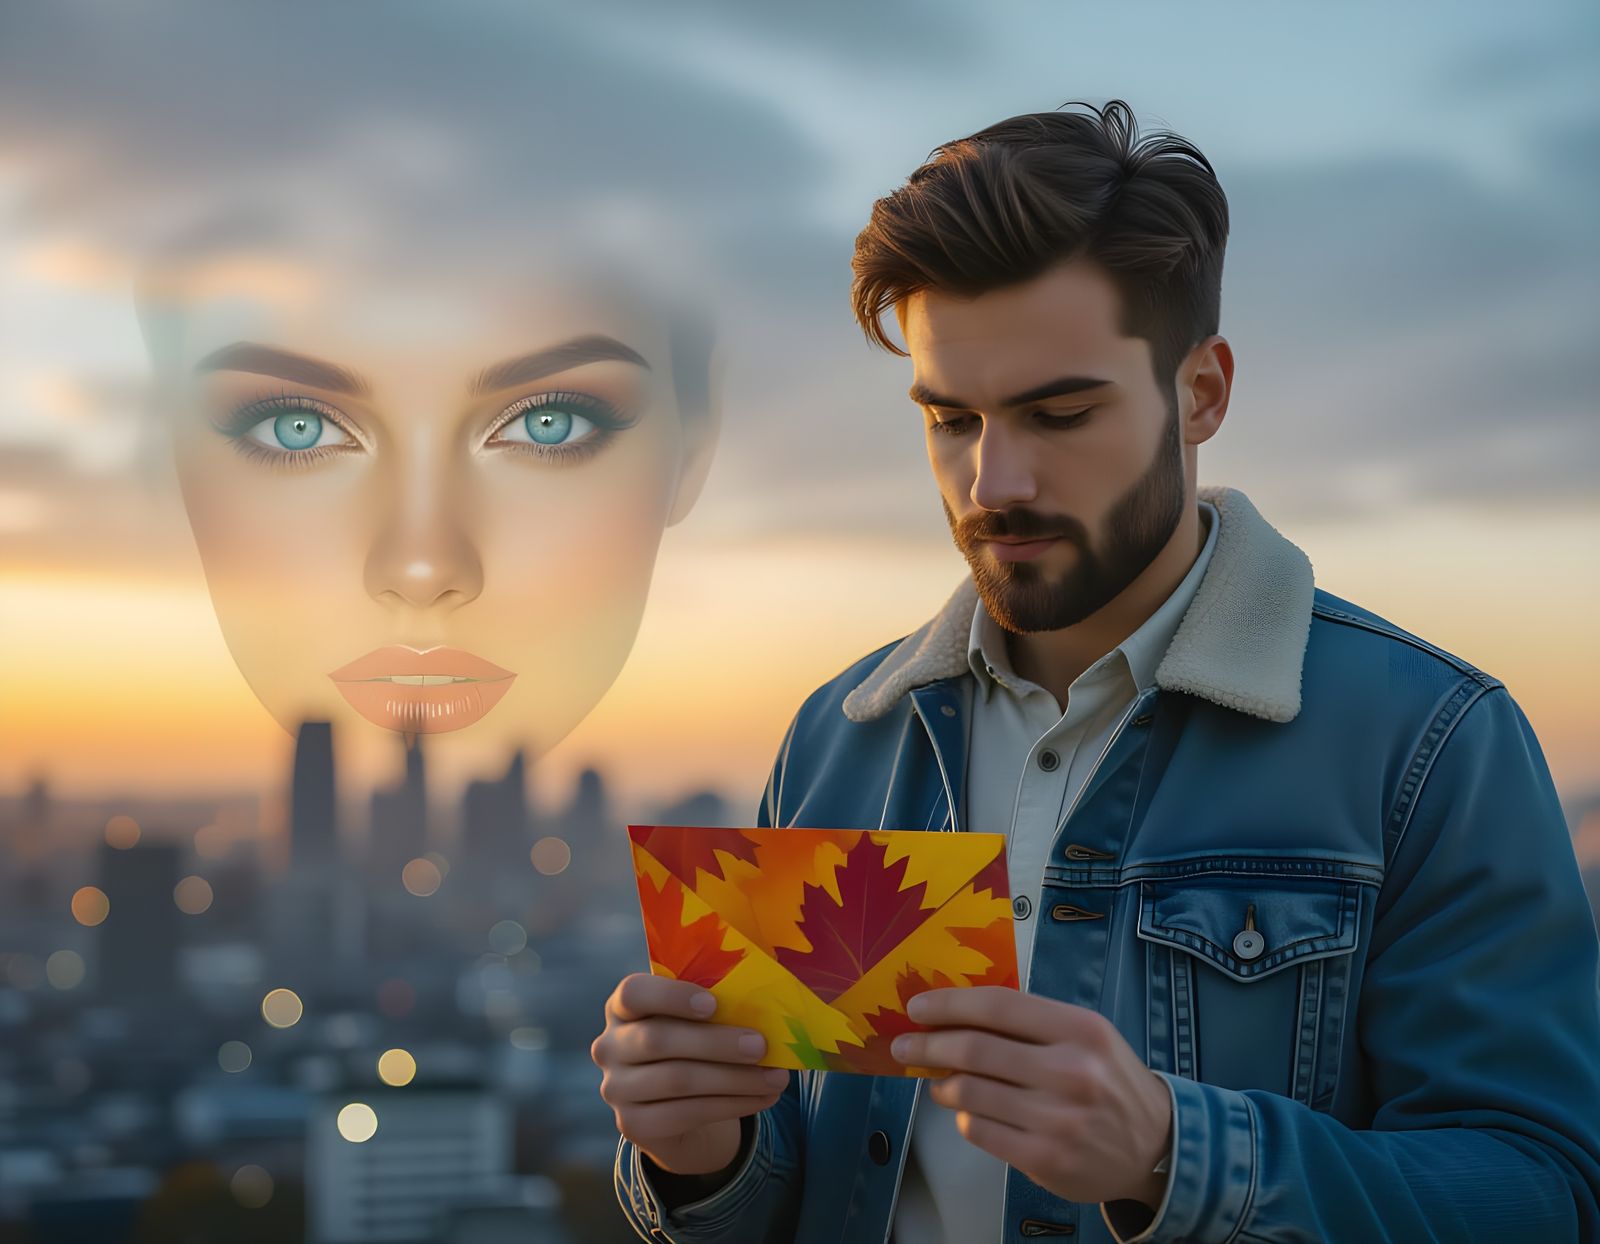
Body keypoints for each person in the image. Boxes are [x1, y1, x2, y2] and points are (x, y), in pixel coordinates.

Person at [594, 100, 1600, 1242]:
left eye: (1058, 412)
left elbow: (1542, 1196)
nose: (993, 482)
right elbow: (798, 1194)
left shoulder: (1431, 744)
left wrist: (1172, 1155)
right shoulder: (843, 734)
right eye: (951, 419)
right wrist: (700, 1153)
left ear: (1203, 392)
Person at [134, 201, 718, 787]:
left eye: (550, 422)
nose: (421, 567)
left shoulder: (775, 858)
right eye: (296, 426)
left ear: (693, 451)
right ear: (169, 454)